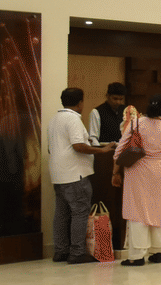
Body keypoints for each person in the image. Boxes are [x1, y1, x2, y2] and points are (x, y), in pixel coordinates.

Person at [47, 88, 116, 263]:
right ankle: (77, 253)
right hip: (75, 174)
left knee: (61, 214)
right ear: (80, 103)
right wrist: (102, 150)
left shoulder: (54, 120)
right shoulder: (73, 119)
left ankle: (60, 251)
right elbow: (79, 146)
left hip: (58, 174)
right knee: (79, 213)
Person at [113, 95, 161, 266]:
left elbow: (119, 149)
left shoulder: (137, 123)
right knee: (158, 209)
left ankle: (137, 255)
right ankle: (158, 251)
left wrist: (115, 173)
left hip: (138, 171)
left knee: (137, 211)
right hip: (160, 173)